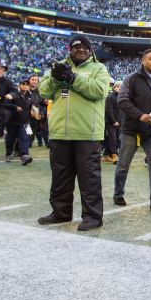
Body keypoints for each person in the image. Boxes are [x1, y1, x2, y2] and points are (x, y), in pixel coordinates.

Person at [38, 35, 113, 230]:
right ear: (70, 49)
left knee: (89, 178)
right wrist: (56, 78)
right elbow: (43, 92)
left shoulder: (99, 69)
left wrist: (73, 77)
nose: (81, 50)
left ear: (91, 50)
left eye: (85, 47)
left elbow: (99, 91)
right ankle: (60, 213)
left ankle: (93, 217)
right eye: (76, 46)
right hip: (60, 132)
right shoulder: (57, 67)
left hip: (87, 133)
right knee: (60, 177)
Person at [114, 49, 151, 214]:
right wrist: (140, 115)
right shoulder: (131, 79)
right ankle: (118, 194)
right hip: (131, 129)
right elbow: (122, 101)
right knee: (123, 164)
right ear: (143, 61)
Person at [2, 79, 35, 165]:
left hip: (25, 121)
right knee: (10, 139)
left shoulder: (30, 95)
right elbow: (5, 104)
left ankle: (24, 155)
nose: (25, 85)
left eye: (27, 84)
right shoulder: (15, 93)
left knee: (25, 138)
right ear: (19, 85)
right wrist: (15, 107)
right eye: (23, 84)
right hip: (12, 121)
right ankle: (8, 153)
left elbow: (33, 105)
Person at [103, 81, 122, 161]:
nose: (120, 88)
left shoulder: (122, 97)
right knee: (112, 138)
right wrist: (114, 121)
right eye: (118, 86)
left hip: (119, 122)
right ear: (114, 87)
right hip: (111, 122)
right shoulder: (110, 97)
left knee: (117, 138)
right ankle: (114, 155)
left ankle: (107, 154)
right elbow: (109, 110)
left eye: (121, 86)